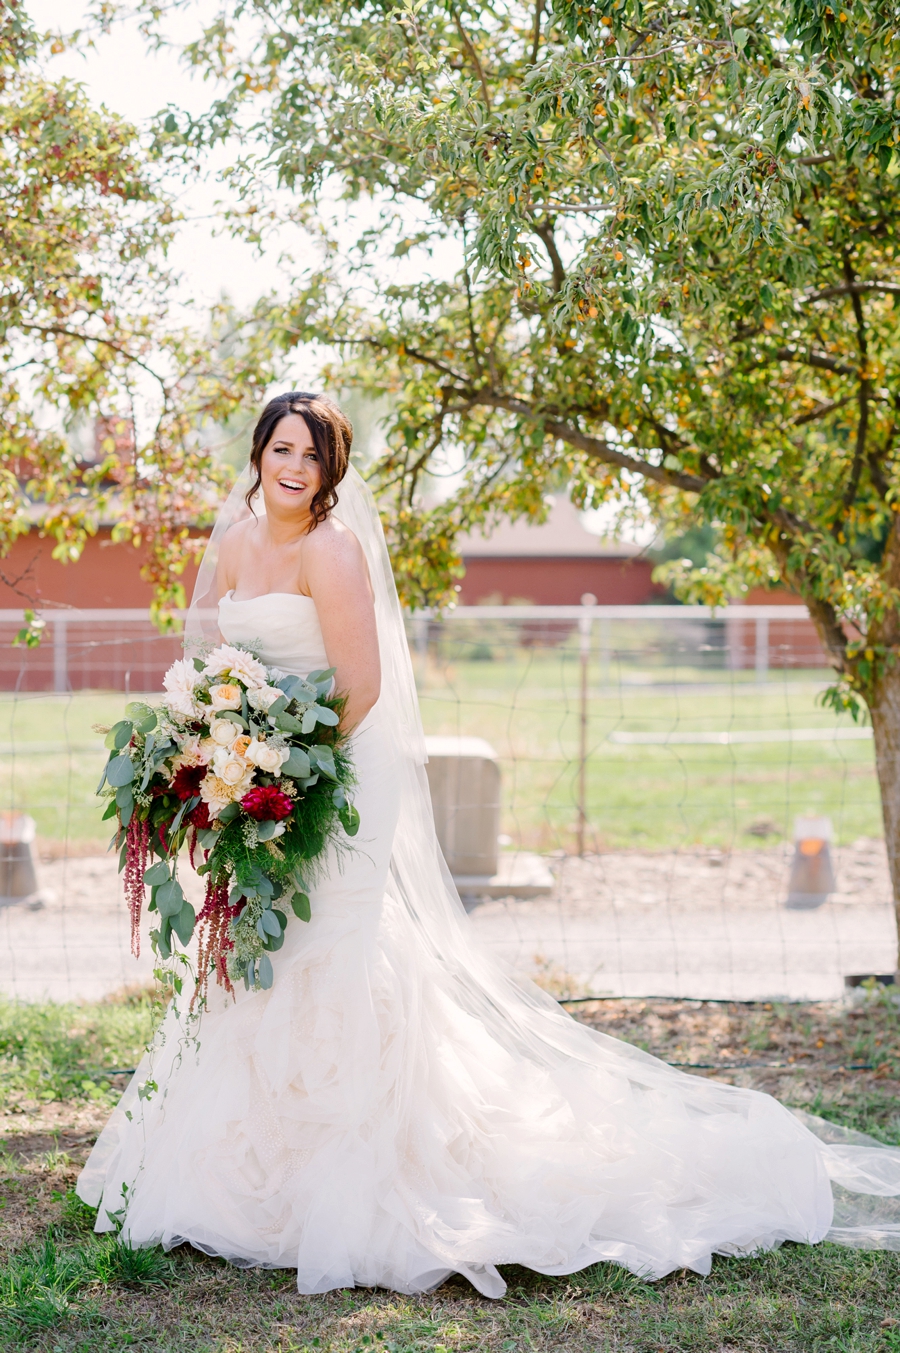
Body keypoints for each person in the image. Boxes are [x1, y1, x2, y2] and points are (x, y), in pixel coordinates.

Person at [78, 391, 900, 1298]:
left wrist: (287, 773)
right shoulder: (232, 541)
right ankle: (249, 1170)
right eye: (282, 448)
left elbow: (360, 685)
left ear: (330, 472)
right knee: (255, 950)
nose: (294, 467)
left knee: (335, 950)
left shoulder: (331, 549)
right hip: (256, 781)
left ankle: (370, 1164)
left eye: (312, 456)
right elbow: (203, 655)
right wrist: (213, 754)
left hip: (333, 777)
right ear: (259, 454)